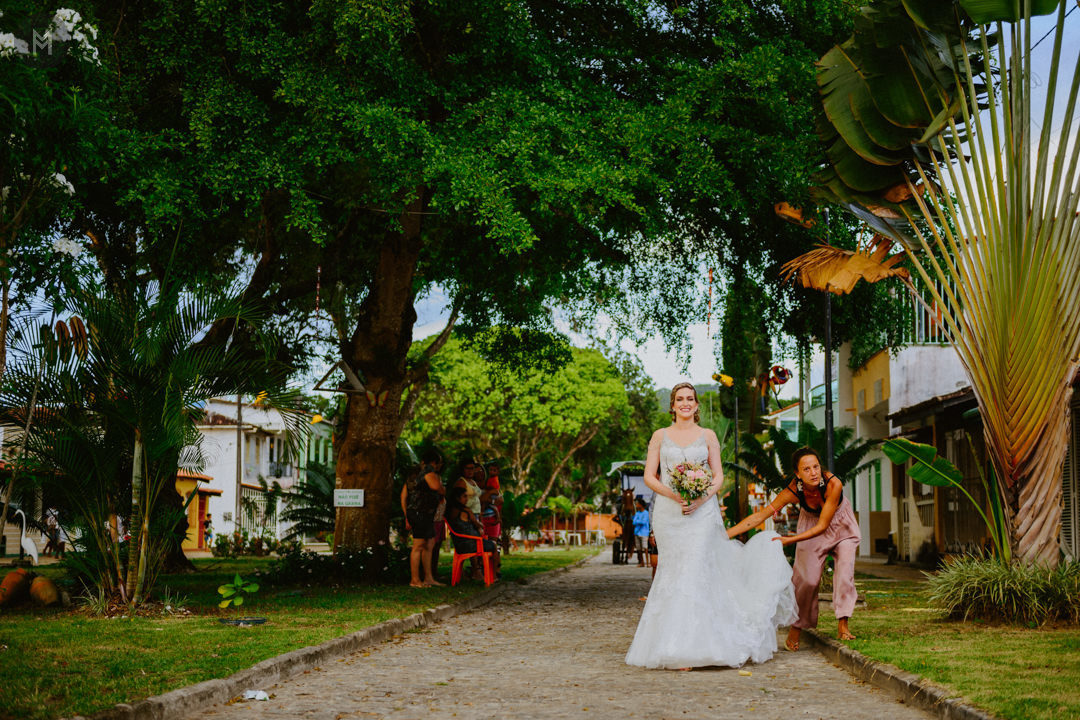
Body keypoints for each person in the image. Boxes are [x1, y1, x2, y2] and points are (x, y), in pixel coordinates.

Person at [625, 382, 797, 670]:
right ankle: (672, 645)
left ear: (696, 405)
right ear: (672, 405)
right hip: (669, 513)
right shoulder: (659, 436)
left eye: (690, 399)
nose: (685, 403)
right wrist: (674, 495)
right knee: (674, 571)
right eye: (680, 399)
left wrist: (700, 498)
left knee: (696, 569)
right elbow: (650, 477)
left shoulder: (708, 436)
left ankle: (697, 646)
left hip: (702, 513)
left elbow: (717, 476)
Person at [725, 446, 861, 651]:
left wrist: (790, 540)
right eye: (806, 469)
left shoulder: (834, 484)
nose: (813, 472)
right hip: (810, 524)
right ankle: (796, 627)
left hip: (841, 525)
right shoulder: (792, 490)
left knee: (845, 570)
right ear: (797, 474)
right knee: (806, 580)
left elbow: (823, 526)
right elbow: (760, 516)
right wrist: (725, 535)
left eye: (816, 467)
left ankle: (843, 624)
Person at [401, 449, 446, 588]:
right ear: (434, 462)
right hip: (419, 513)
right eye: (439, 463)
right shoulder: (428, 473)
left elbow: (404, 496)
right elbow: (437, 487)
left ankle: (428, 578)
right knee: (418, 545)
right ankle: (415, 580)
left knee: (429, 544)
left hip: (426, 514)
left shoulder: (419, 475)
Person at [446, 485, 501, 580]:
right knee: (493, 545)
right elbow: (479, 525)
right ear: (457, 498)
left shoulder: (449, 512)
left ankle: (479, 572)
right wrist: (480, 523)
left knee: (487, 543)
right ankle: (494, 576)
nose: (467, 499)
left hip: (459, 544)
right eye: (464, 496)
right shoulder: (466, 511)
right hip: (472, 544)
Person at [632, 498, 650, 567]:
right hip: (637, 533)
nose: (636, 505)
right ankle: (641, 562)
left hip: (644, 533)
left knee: (645, 547)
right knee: (639, 549)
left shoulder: (646, 513)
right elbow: (634, 522)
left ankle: (648, 562)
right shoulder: (637, 513)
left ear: (641, 505)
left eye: (637, 504)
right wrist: (640, 521)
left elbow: (644, 522)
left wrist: (638, 521)